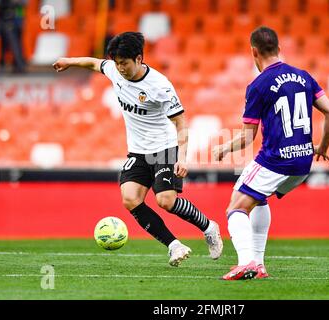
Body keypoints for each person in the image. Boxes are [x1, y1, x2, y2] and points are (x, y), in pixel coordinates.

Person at [53, 32, 223, 267]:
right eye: (117, 63)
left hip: (164, 148)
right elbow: (93, 63)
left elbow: (181, 122)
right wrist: (68, 62)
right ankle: (174, 245)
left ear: (139, 59)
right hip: (137, 151)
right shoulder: (113, 69)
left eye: (125, 63)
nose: (120, 68)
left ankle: (208, 227)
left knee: (165, 201)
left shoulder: (159, 86)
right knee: (130, 198)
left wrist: (182, 157)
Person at [213, 27, 329, 280]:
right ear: (279, 49)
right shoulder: (304, 77)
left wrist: (224, 148)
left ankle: (247, 262)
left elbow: (248, 137)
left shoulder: (258, 85)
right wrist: (322, 147)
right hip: (303, 163)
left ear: (254, 52)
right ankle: (258, 265)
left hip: (275, 160)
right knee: (258, 198)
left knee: (235, 208)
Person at [0, 0, 27, 73]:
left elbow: (21, 11)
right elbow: (0, 10)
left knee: (16, 45)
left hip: (15, 23)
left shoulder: (19, 4)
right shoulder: (4, 3)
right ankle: (3, 65)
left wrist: (20, 22)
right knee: (4, 45)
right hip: (6, 22)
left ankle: (19, 65)